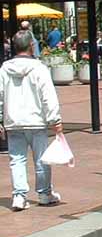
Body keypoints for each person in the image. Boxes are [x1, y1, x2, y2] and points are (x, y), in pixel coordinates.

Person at [0, 30, 63, 211]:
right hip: (36, 120)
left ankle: (19, 196)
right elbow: (48, 96)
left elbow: (0, 95)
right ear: (31, 46)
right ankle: (44, 193)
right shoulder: (39, 68)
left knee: (16, 160)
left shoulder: (4, 69)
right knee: (41, 159)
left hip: (13, 121)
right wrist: (55, 119)